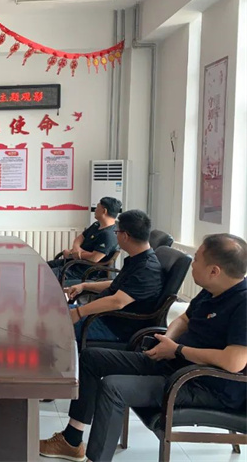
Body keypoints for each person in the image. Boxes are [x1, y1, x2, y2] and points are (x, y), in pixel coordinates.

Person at [40, 233, 247, 462]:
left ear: (214, 271)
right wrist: (168, 340)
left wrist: (178, 350)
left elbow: (234, 361)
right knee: (90, 358)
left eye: (197, 259)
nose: (193, 265)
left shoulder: (242, 304)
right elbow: (184, 319)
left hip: (201, 384)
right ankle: (71, 441)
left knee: (113, 387)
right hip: (175, 362)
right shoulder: (212, 290)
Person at [65, 210, 164, 344]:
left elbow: (117, 301)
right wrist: (84, 286)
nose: (115, 236)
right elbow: (118, 284)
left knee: (50, 326)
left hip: (112, 327)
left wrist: (78, 312)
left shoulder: (146, 269)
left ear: (125, 236)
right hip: (100, 316)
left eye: (117, 232)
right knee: (52, 313)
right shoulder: (138, 259)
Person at [47, 197, 121, 283]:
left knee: (44, 275)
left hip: (85, 271)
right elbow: (81, 237)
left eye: (97, 207)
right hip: (74, 263)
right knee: (43, 267)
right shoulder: (97, 225)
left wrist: (72, 254)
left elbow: (95, 258)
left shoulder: (109, 235)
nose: (95, 210)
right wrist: (76, 248)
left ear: (104, 211)